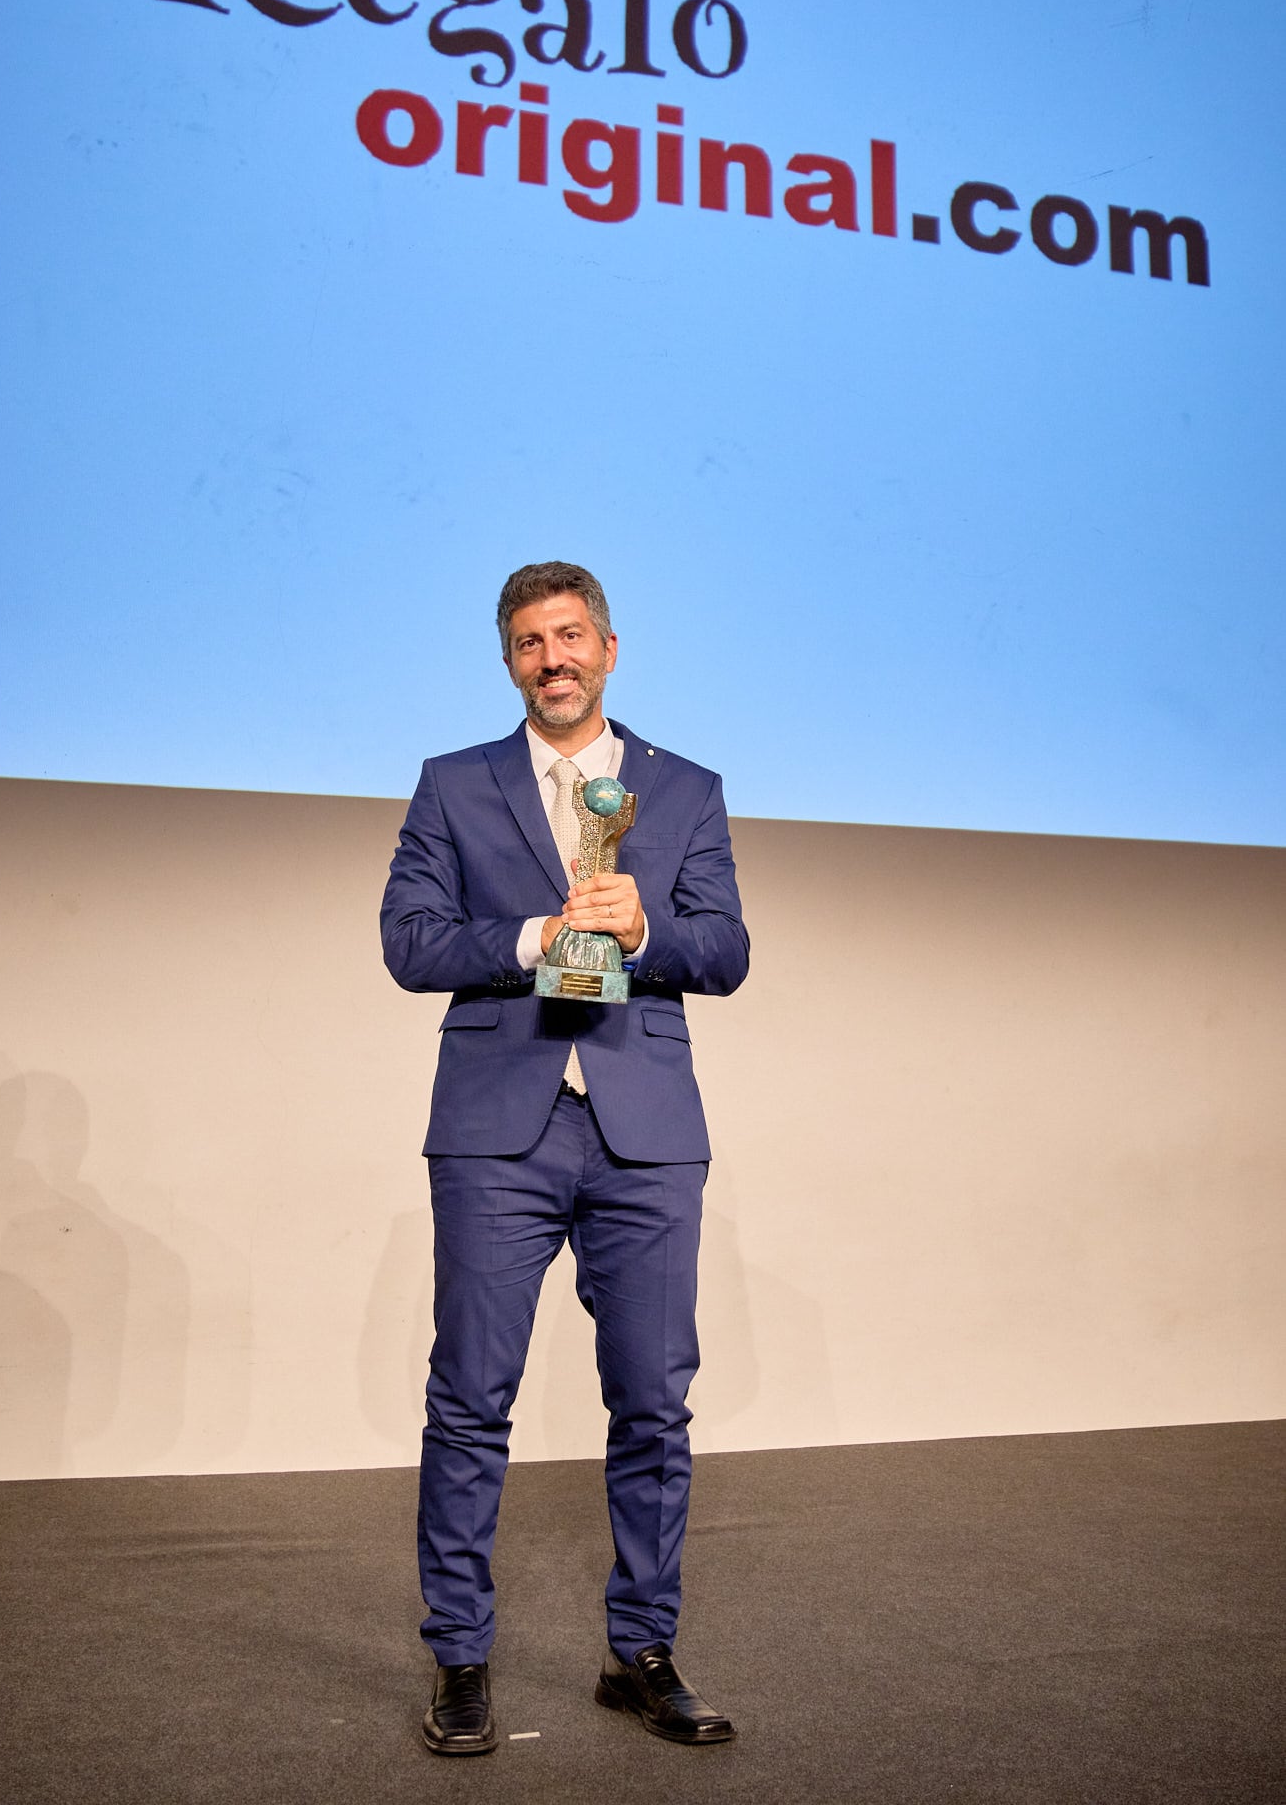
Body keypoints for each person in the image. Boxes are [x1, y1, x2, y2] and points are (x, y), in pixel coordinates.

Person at [380, 560, 749, 1755]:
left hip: (645, 1132)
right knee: (469, 1399)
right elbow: (410, 940)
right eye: (532, 642)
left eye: (572, 635)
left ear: (610, 648)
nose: (555, 658)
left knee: (653, 1403)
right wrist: (536, 932)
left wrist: (647, 930)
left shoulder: (684, 787)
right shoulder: (454, 783)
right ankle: (460, 1657)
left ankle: (641, 1652)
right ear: (510, 662)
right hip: (500, 1127)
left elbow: (727, 948)